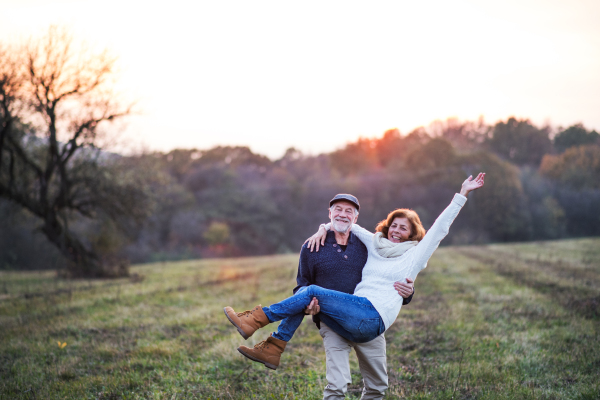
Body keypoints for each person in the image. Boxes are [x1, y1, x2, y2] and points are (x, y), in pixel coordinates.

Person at [224, 173, 484, 396]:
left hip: (371, 317)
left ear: (413, 234)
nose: (396, 231)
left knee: (376, 387)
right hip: (339, 317)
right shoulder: (373, 243)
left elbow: (440, 229)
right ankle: (272, 346)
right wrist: (321, 229)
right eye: (393, 225)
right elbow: (343, 223)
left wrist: (461, 194)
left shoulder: (415, 255)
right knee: (307, 293)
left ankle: (259, 323)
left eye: (403, 228)